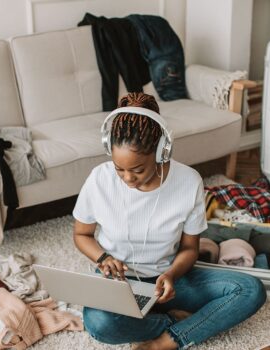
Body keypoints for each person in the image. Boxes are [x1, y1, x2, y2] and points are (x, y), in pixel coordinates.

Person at [72, 92, 266, 350]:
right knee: (98, 323)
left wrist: (172, 274)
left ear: (161, 150)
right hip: (120, 283)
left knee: (250, 290)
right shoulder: (99, 179)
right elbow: (81, 235)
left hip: (172, 280)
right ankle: (173, 322)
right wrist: (103, 259)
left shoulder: (188, 181)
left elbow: (189, 248)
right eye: (120, 169)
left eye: (137, 169)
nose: (128, 178)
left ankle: (167, 341)